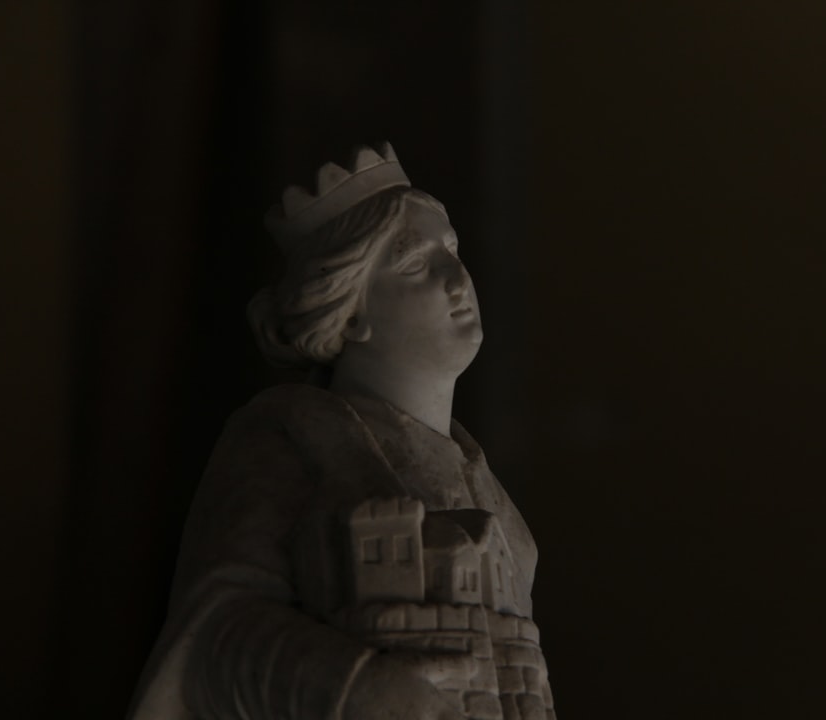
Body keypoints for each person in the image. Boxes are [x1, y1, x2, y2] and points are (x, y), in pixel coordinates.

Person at [127, 144, 555, 720]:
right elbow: (212, 635)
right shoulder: (291, 439)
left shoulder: (502, 513)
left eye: (452, 250)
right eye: (415, 264)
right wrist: (360, 687)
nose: (456, 278)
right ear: (350, 312)